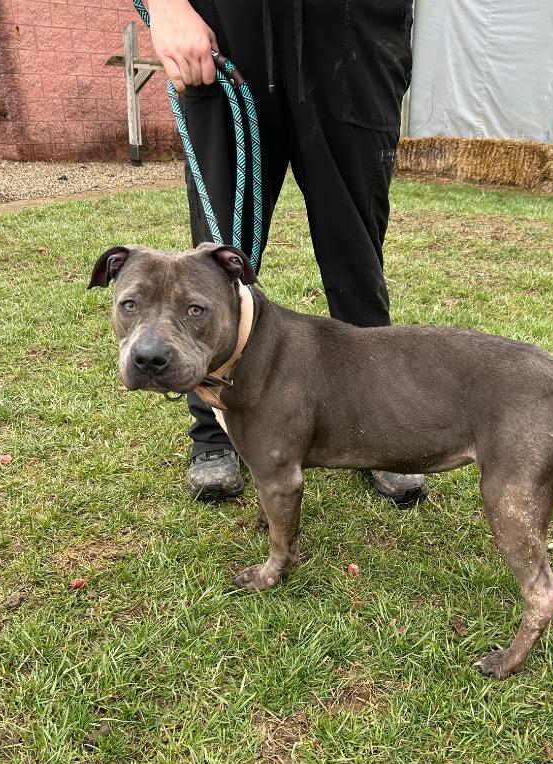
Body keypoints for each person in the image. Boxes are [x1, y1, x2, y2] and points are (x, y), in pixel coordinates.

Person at [147, 0, 428, 506]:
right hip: (226, 36)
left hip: (354, 40)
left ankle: (376, 432)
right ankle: (215, 433)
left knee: (357, 265)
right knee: (215, 267)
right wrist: (167, 9)